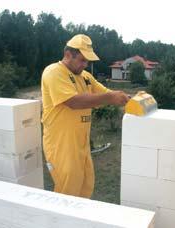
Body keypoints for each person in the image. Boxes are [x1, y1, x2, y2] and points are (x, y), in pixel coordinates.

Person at [41, 34, 130, 198]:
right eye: (82, 60)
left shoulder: (85, 77)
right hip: (62, 145)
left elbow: (106, 93)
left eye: (87, 61)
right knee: (66, 194)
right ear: (68, 55)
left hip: (81, 145)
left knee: (85, 189)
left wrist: (128, 99)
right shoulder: (54, 72)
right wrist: (110, 98)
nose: (85, 64)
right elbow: (73, 101)